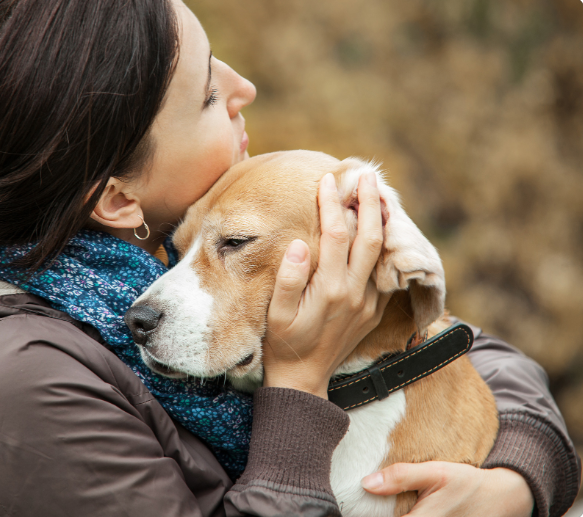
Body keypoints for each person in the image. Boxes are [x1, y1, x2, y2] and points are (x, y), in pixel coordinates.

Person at [0, 0, 579, 516]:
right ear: (120, 198)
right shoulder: (32, 381)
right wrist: (300, 380)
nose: (244, 86)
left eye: (230, 244)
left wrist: (516, 478)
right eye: (206, 94)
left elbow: (460, 346)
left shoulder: (153, 256)